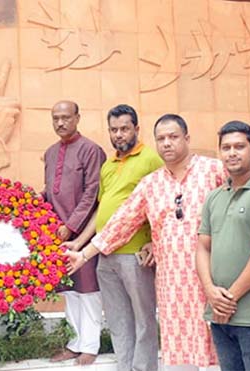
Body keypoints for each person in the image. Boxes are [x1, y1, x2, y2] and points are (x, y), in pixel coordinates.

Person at [66, 114, 225, 370]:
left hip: (212, 275)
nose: (166, 144)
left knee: (224, 345)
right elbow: (121, 222)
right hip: (172, 283)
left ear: (187, 138)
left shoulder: (213, 170)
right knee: (181, 353)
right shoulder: (151, 184)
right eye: (161, 138)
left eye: (173, 137)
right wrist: (84, 254)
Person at [62, 104, 163, 371]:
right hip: (104, 254)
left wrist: (154, 240)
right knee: (118, 318)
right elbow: (101, 208)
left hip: (134, 253)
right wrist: (79, 242)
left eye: (124, 129)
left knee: (143, 319)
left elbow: (160, 203)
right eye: (114, 130)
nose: (119, 135)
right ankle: (125, 365)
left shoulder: (151, 159)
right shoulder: (108, 164)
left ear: (136, 129)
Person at [196, 121, 250, 371]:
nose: (232, 153)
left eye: (239, 146)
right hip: (219, 313)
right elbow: (202, 247)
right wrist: (211, 291)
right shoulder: (214, 196)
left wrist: (229, 298)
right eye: (226, 147)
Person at [43, 100, 106, 365]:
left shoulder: (92, 150)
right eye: (56, 118)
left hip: (84, 235)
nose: (61, 123)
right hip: (56, 235)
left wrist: (71, 227)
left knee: (88, 290)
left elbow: (93, 192)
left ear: (77, 118)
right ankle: (76, 342)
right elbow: (50, 191)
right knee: (69, 291)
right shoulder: (50, 152)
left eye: (66, 117)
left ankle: (90, 346)